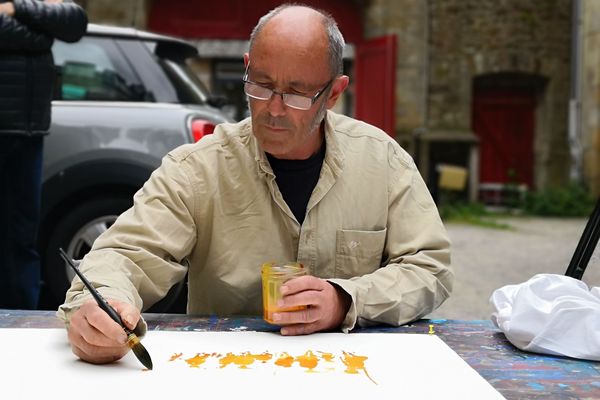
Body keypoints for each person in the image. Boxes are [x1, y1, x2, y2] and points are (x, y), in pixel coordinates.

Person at [58, 4, 453, 365]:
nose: (273, 110)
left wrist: (346, 300)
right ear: (246, 68)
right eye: (261, 85)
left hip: (355, 371)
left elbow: (429, 269)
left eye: (297, 93)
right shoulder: (199, 168)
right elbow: (124, 254)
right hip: (229, 372)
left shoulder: (381, 160)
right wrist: (104, 305)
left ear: (333, 92)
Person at [0, 0, 87, 309]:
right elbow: (43, 34)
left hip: (28, 132)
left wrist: (14, 9)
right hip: (16, 128)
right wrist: (43, 33)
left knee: (22, 240)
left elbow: (75, 21)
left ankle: (19, 319)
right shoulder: (39, 16)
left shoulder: (21, 5)